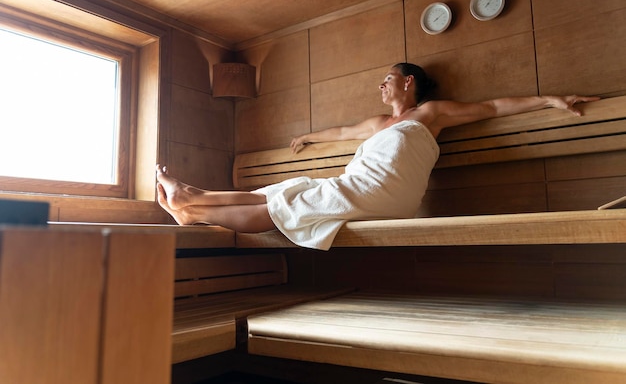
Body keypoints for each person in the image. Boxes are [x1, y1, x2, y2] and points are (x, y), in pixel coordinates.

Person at [156, 62, 599, 250]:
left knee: (301, 197)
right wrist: (307, 136)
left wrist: (549, 99)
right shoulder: (376, 124)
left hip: (386, 193)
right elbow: (344, 131)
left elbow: (493, 107)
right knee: (293, 189)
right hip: (356, 186)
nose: (382, 86)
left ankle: (193, 203)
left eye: (389, 79)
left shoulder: (430, 113)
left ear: (409, 82)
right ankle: (192, 203)